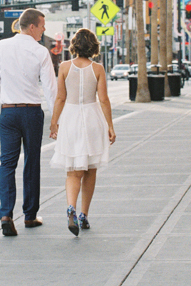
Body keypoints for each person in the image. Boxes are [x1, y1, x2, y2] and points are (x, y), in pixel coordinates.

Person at [0, 8, 57, 237]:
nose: (44, 30)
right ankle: (29, 215)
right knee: (31, 163)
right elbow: (50, 88)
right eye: (42, 26)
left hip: (8, 113)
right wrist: (56, 119)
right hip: (31, 113)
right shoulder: (40, 52)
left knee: (7, 164)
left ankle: (6, 214)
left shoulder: (1, 46)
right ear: (33, 26)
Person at [49, 29, 116, 236]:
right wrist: (110, 126)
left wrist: (54, 122)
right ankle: (84, 215)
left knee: (72, 171)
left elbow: (60, 98)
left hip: (70, 119)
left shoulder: (64, 67)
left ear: (74, 45)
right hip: (92, 118)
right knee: (90, 169)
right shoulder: (98, 69)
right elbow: (103, 99)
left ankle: (71, 207)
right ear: (93, 46)